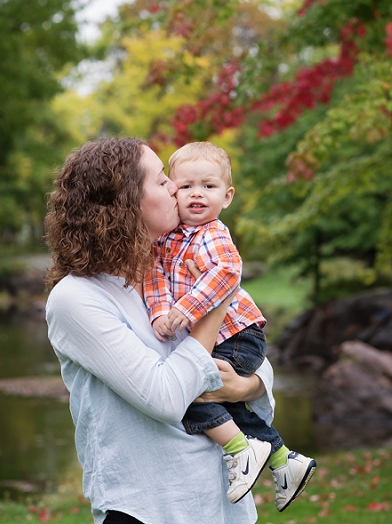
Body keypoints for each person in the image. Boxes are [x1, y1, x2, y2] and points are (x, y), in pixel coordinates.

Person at [44, 137, 277, 524]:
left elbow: (250, 353)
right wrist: (215, 306)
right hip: (148, 507)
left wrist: (245, 387)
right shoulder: (78, 298)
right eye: (160, 180)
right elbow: (165, 397)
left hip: (223, 505)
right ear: (123, 201)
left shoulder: (179, 268)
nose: (175, 187)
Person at [144, 141, 317, 512]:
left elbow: (227, 272)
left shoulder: (213, 234)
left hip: (238, 333)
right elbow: (155, 278)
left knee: (191, 395)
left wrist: (187, 310)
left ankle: (241, 449)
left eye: (208, 186)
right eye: (186, 186)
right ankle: (285, 459)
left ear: (228, 195)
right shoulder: (165, 241)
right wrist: (160, 313)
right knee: (218, 397)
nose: (197, 194)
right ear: (172, 191)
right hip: (221, 335)